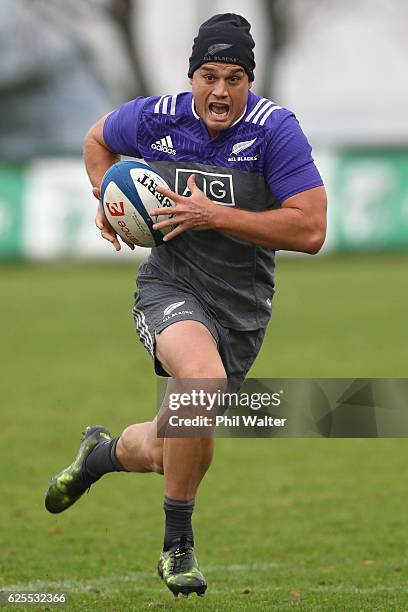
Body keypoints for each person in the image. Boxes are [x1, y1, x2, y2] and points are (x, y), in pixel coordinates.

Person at [45, 13, 327, 598]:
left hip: (242, 309)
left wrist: (212, 215)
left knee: (166, 445)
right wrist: (106, 195)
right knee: (202, 380)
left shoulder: (275, 131)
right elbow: (97, 138)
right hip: (168, 289)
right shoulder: (157, 117)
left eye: (233, 78)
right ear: (191, 75)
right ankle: (178, 546)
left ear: (250, 80)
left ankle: (97, 457)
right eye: (207, 75)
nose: (219, 92)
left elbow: (310, 230)